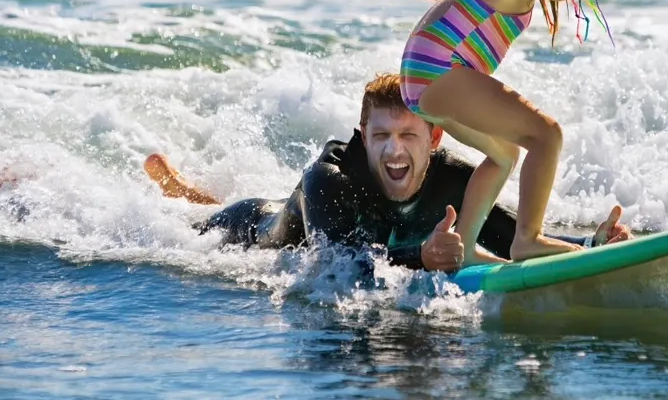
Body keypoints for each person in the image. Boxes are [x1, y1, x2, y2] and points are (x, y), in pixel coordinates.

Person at [338, 0, 625, 266]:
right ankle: (528, 240)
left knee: (504, 155)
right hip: (440, 71)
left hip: (422, 80)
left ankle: (467, 246)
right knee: (547, 135)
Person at [145, 73, 631, 273]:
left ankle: (182, 187)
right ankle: (180, 190)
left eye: (408, 136)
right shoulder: (329, 177)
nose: (394, 151)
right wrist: (422, 255)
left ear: (435, 138)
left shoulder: (453, 179)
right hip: (257, 232)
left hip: (386, 240)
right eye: (380, 137)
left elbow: (508, 236)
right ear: (362, 132)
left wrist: (589, 245)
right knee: (190, 225)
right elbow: (337, 263)